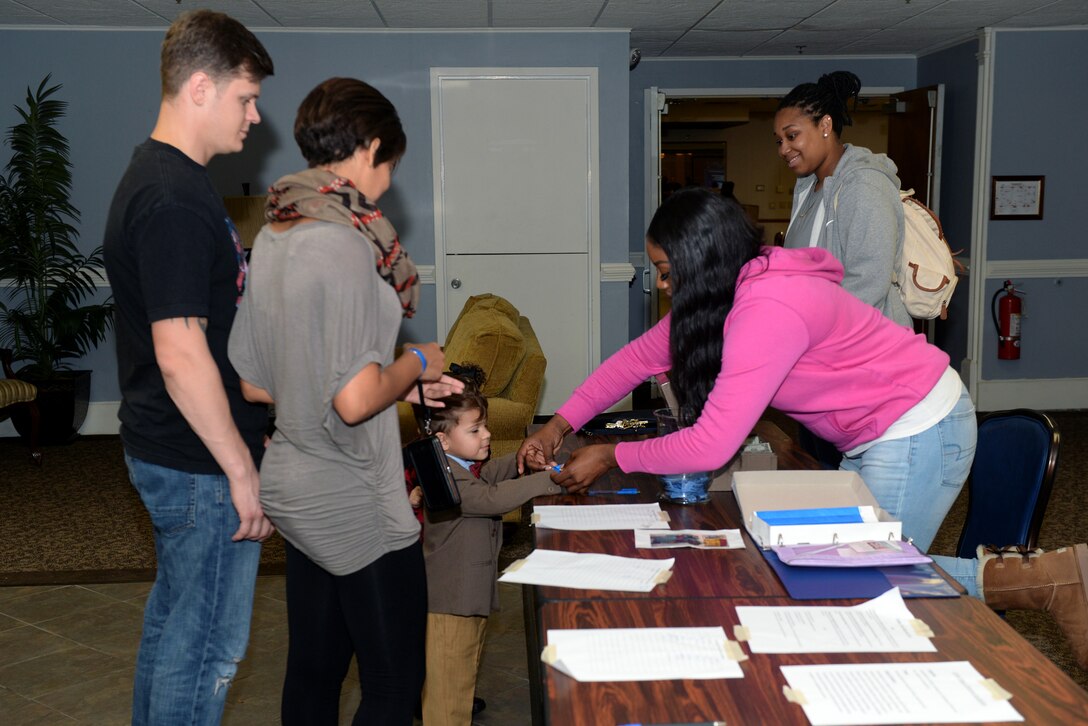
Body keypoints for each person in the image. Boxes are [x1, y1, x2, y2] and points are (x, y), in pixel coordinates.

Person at [518, 187, 1088, 669]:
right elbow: (633, 361)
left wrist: (613, 454)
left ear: (699, 259)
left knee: (870, 575)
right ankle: (1049, 579)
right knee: (837, 560)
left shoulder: (767, 306)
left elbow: (714, 441)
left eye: (668, 272)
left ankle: (1050, 579)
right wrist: (561, 424)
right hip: (878, 429)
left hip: (917, 424)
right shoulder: (726, 294)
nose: (663, 287)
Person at [227, 77, 461, 725]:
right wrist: (418, 362)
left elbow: (257, 382)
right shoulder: (346, 244)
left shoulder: (275, 233)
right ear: (371, 147)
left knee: (314, 667)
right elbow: (356, 400)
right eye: (391, 165)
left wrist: (401, 383)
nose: (388, 183)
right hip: (355, 494)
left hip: (295, 487)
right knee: (393, 683)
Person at [102, 11, 274, 725]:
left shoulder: (171, 179)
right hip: (199, 464)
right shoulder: (173, 197)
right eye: (246, 97)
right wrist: (240, 472)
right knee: (205, 653)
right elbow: (179, 353)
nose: (256, 116)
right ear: (200, 87)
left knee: (172, 636)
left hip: (176, 451)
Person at [413, 364, 564, 726]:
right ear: (443, 441)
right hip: (450, 605)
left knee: (461, 681)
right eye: (476, 429)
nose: (487, 434)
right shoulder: (443, 481)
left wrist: (519, 459)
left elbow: (490, 475)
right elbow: (491, 498)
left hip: (466, 601)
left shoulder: (457, 466)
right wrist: (548, 480)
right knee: (447, 698)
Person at [774, 70, 909, 468]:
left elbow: (868, 280)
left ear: (826, 125)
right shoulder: (810, 189)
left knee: (853, 481)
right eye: (779, 140)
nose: (784, 148)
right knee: (818, 469)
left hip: (864, 366)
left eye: (792, 135)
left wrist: (808, 332)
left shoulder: (863, 185)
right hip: (820, 364)